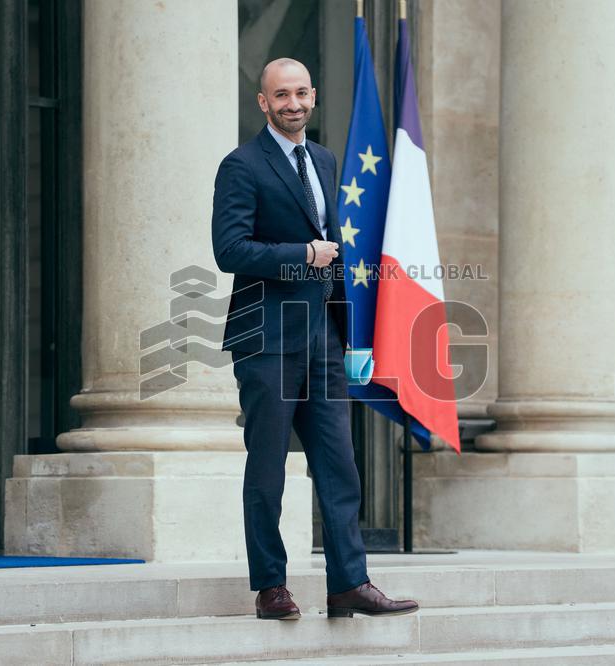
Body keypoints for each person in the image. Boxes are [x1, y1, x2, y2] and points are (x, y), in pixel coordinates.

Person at [211, 58, 418, 620]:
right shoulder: (241, 165)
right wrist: (303, 253)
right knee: (268, 467)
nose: (293, 104)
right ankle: (270, 587)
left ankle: (349, 583)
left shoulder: (323, 160)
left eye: (301, 93)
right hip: (266, 338)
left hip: (322, 338)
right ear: (263, 102)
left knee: (339, 464)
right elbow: (229, 250)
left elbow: (335, 249)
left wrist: (351, 333)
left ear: (314, 95)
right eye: (282, 95)